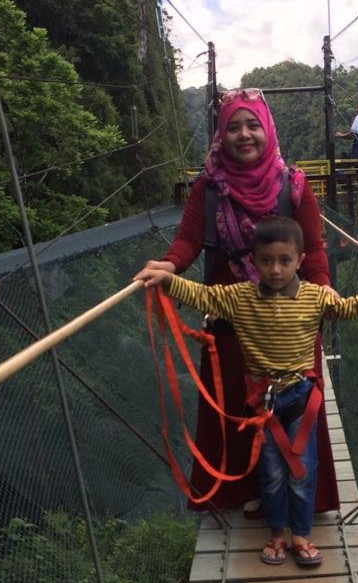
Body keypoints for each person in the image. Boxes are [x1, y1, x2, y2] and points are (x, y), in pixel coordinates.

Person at [136, 216, 358, 565]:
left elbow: (348, 308)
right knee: (270, 472)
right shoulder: (240, 298)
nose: (275, 269)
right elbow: (201, 294)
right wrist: (168, 278)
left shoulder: (314, 297)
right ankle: (277, 534)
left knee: (302, 469)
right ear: (253, 262)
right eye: (267, 261)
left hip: (302, 396)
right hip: (264, 401)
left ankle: (300, 534)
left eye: (285, 261)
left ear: (300, 261)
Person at [135, 88, 340, 515]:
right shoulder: (210, 188)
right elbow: (190, 239)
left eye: (252, 126)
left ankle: (299, 501)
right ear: (221, 135)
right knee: (236, 403)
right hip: (232, 314)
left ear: (266, 129)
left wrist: (321, 292)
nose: (244, 135)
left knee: (297, 408)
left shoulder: (294, 186)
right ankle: (246, 491)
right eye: (233, 127)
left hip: (289, 314)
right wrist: (170, 266)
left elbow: (314, 249)